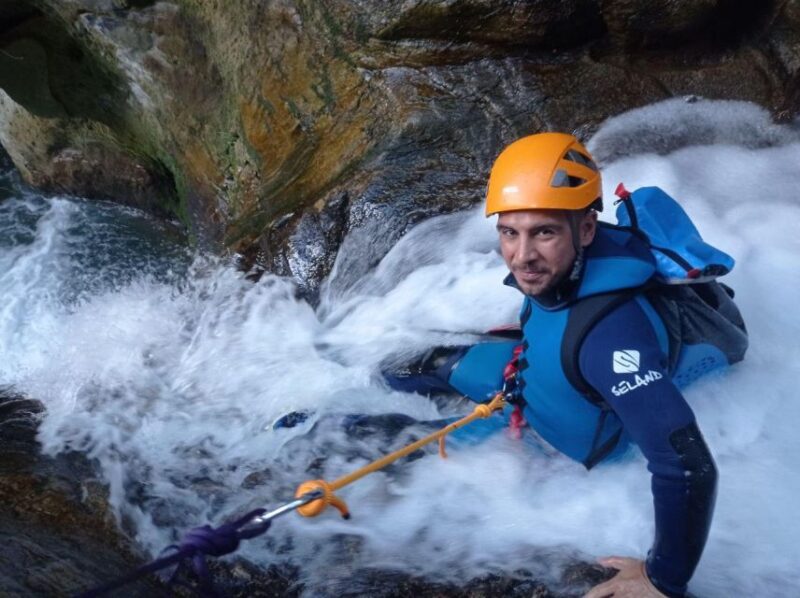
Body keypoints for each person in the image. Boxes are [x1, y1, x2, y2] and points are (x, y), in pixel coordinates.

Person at [479, 132, 748, 598]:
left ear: (586, 229)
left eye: (544, 231)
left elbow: (687, 464)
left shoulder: (607, 338)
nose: (522, 257)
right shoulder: (567, 268)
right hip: (549, 377)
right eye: (509, 232)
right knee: (413, 368)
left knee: (402, 400)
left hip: (573, 436)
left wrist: (663, 577)